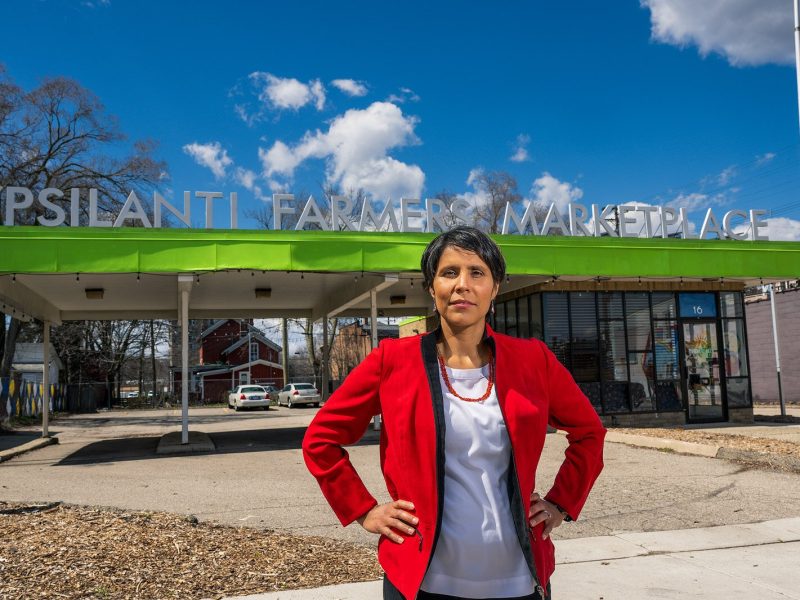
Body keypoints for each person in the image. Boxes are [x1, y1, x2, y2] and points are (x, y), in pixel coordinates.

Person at [302, 226, 606, 600]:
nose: (463, 284)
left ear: (495, 288)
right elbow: (320, 440)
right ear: (433, 289)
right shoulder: (392, 360)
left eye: (477, 272)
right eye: (449, 273)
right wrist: (364, 511)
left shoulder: (533, 360)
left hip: (517, 580)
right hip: (423, 582)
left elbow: (590, 433)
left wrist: (561, 503)